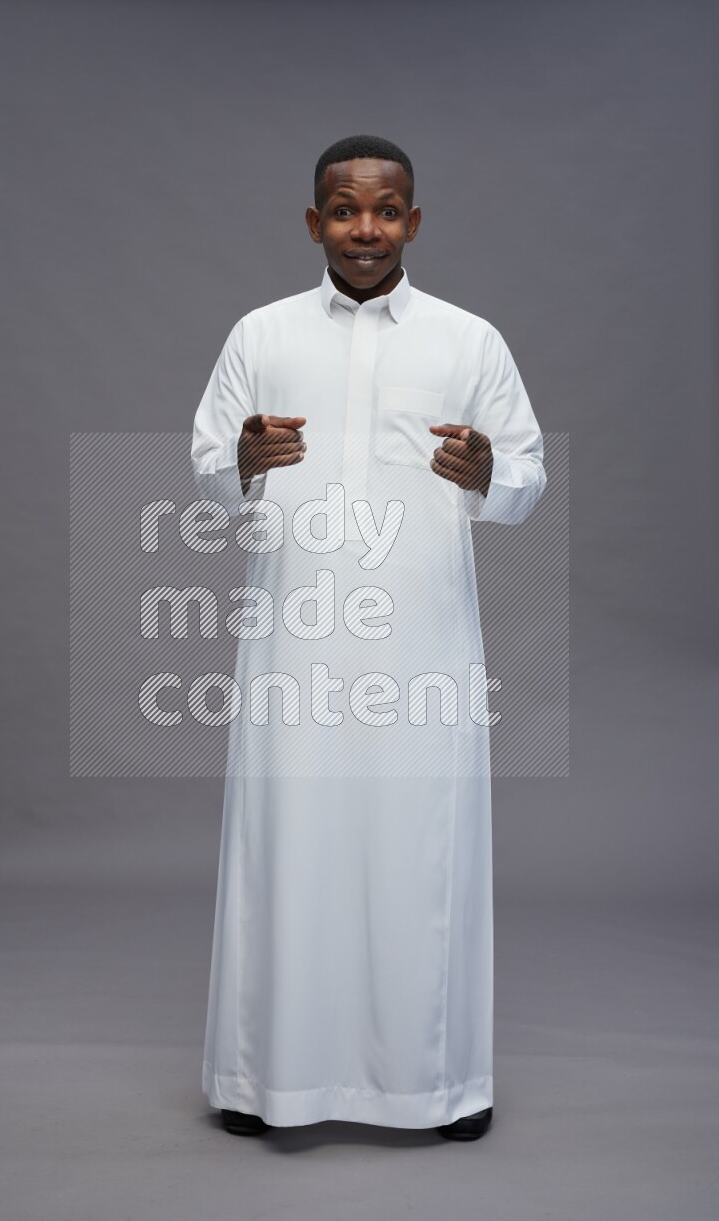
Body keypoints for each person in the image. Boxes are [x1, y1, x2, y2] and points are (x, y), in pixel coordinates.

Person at [190, 135, 546, 1140]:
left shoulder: (467, 341)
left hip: (420, 652)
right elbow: (210, 466)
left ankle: (439, 1084)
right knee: (283, 851)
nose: (364, 228)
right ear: (312, 223)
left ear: (413, 222)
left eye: (384, 210)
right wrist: (243, 462)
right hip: (295, 648)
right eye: (343, 210)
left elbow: (524, 479)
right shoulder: (258, 334)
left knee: (418, 854)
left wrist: (485, 475)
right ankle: (261, 1079)